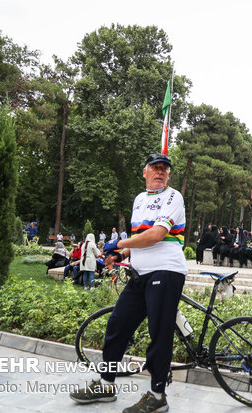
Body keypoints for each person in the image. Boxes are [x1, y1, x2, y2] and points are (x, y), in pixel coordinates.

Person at [70, 153, 187, 412]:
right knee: (117, 325)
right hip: (140, 272)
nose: (160, 172)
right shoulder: (139, 200)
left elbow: (156, 235)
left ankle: (157, 397)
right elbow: (139, 240)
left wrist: (118, 243)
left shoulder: (173, 196)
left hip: (166, 271)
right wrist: (122, 253)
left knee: (159, 333)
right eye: (155, 168)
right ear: (144, 172)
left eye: (164, 169)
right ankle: (106, 384)